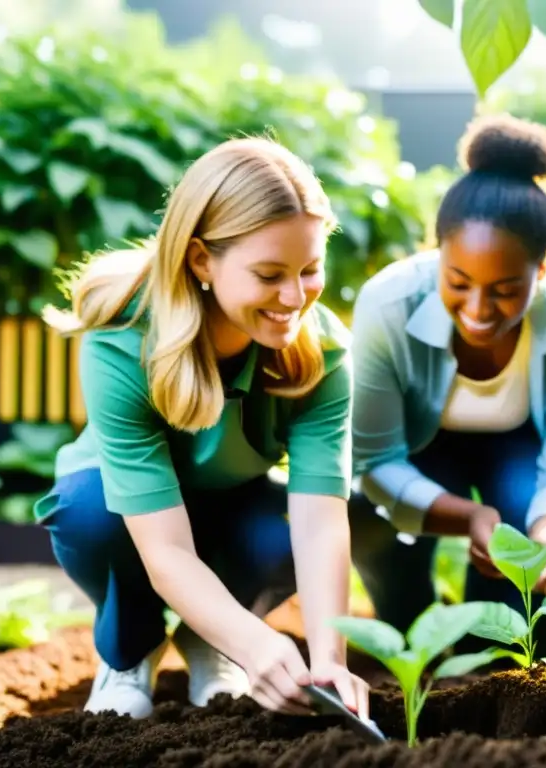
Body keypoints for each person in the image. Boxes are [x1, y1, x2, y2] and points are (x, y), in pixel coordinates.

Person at [35, 138, 370, 720]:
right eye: (270, 274)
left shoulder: (321, 354)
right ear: (200, 261)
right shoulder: (122, 342)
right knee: (88, 512)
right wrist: (256, 645)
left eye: (310, 269)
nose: (295, 298)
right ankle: (128, 649)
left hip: (231, 506)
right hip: (122, 512)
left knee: (301, 525)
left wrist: (328, 660)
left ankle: (210, 639)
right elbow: (163, 546)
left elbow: (320, 523)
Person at [346, 113, 546, 655]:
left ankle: (499, 666)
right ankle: (410, 646)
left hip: (521, 448)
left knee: (523, 539)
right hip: (419, 448)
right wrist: (469, 516)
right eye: (459, 282)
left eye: (504, 289)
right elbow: (373, 460)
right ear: (437, 252)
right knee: (372, 525)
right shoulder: (387, 304)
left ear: (540, 272)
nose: (477, 309)